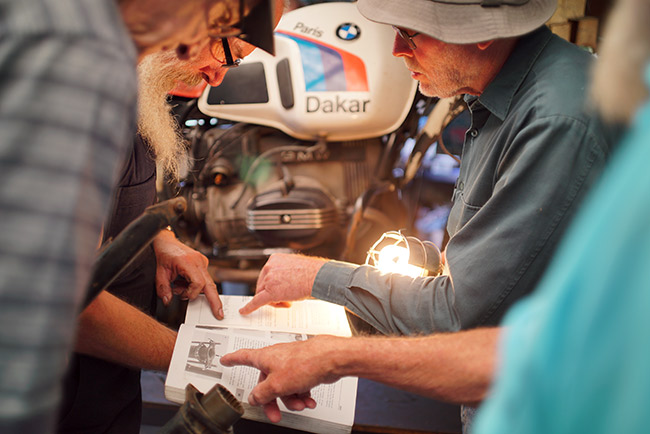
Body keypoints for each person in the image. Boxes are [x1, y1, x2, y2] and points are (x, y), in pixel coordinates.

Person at [223, 0, 650, 432]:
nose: (396, 49)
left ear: (481, 31)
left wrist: (319, 278)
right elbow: (511, 268)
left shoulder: (554, 122)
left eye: (410, 33)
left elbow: (460, 316)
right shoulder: (503, 93)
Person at [0, 0, 275, 432]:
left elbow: (113, 188)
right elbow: (65, 300)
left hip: (107, 387)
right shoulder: (69, 78)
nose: (215, 73)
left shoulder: (131, 80)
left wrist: (155, 235)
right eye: (222, 42)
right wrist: (203, 358)